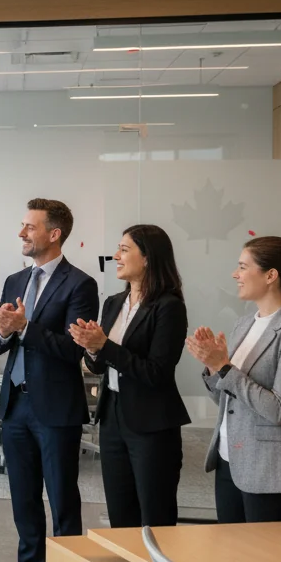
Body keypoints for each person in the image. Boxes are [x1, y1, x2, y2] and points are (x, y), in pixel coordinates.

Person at [0, 198, 98, 562]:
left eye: (29, 227)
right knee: (23, 499)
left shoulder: (80, 284)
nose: (21, 233)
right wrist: (2, 331)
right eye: (22, 226)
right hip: (15, 406)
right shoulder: (15, 279)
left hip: (54, 407)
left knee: (63, 501)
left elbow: (74, 351)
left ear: (54, 234)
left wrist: (25, 329)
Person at [186, 235, 281, 562]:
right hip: (229, 459)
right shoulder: (247, 322)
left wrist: (225, 368)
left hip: (268, 470)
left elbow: (280, 410)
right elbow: (226, 393)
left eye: (243, 265)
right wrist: (212, 368)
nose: (234, 273)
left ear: (271, 275)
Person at [70, 224, 189, 528]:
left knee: (154, 516)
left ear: (147, 257)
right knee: (121, 515)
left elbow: (157, 372)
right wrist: (92, 349)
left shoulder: (169, 307)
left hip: (151, 423)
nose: (116, 256)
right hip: (112, 418)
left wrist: (104, 347)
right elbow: (98, 366)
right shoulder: (112, 303)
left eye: (124, 249)